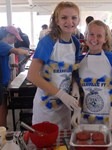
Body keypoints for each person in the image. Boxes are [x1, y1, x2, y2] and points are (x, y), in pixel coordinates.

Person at [27, 1, 81, 130]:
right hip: (46, 107)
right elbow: (32, 75)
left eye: (74, 17)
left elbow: (72, 71)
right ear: (56, 20)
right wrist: (61, 94)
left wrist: (74, 85)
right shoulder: (48, 42)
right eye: (64, 17)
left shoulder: (76, 43)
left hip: (64, 106)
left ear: (78, 20)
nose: (69, 22)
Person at [71, 20, 112, 129]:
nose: (94, 39)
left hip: (110, 117)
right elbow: (77, 90)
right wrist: (77, 108)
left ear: (105, 39)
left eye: (99, 35)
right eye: (91, 34)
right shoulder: (79, 61)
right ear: (86, 36)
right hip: (86, 118)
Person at [0, 25, 29, 127]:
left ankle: (3, 129)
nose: (15, 40)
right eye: (14, 38)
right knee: (2, 110)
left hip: (3, 83)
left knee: (4, 109)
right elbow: (18, 51)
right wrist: (27, 52)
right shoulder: (2, 44)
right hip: (0, 84)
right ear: (8, 35)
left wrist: (13, 65)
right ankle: (2, 134)